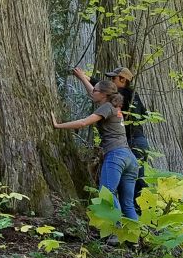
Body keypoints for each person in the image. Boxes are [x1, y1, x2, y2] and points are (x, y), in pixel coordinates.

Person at [51, 78, 138, 221]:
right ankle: (134, 239)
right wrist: (82, 78)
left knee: (107, 193)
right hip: (130, 158)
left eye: (95, 90)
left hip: (116, 156)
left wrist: (57, 125)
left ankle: (115, 233)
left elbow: (83, 123)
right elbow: (93, 93)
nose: (92, 92)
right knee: (128, 204)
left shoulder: (107, 107)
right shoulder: (114, 106)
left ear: (103, 94)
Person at [76, 65, 150, 205]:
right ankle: (135, 212)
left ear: (122, 79)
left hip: (130, 143)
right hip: (139, 141)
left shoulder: (120, 95)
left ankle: (133, 212)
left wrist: (83, 77)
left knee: (129, 182)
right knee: (134, 179)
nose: (110, 80)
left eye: (113, 78)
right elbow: (144, 115)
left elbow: (97, 92)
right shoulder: (132, 95)